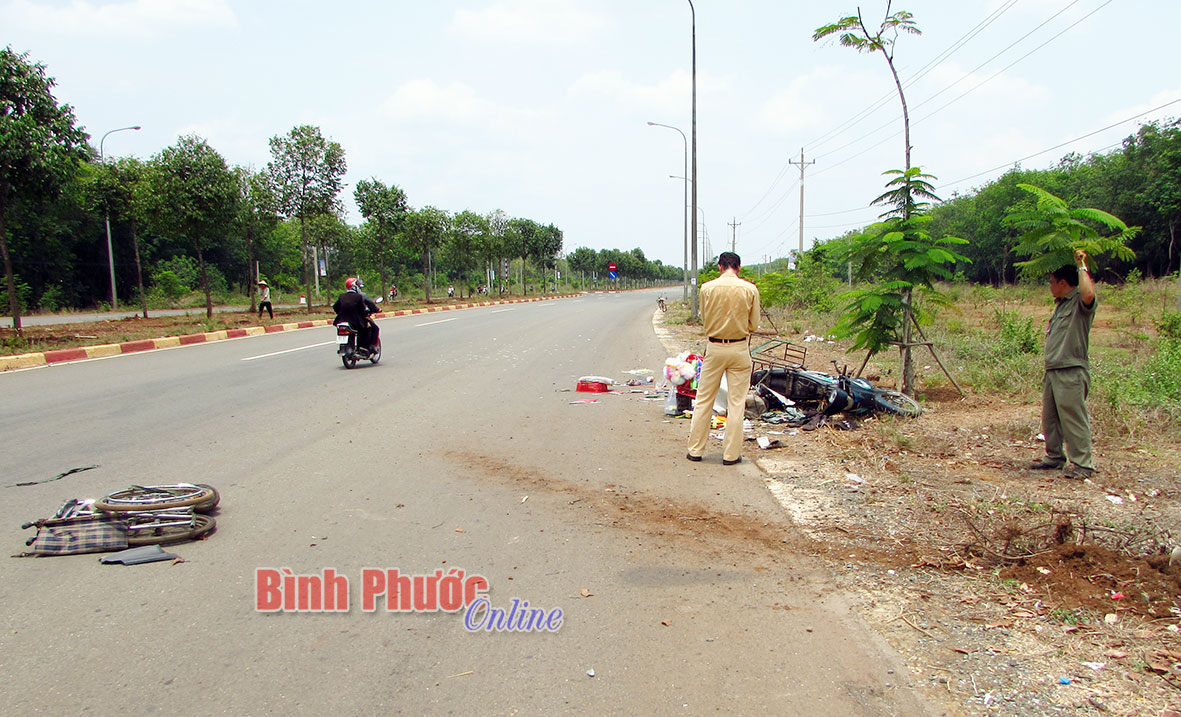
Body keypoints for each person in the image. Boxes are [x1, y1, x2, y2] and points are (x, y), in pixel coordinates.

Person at [686, 251, 761, 465]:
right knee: (736, 404)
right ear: (738, 267)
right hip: (739, 348)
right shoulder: (750, 289)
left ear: (720, 267)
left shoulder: (707, 288)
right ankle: (730, 455)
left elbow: (705, 317)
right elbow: (754, 324)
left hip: (715, 347)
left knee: (704, 400)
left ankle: (695, 451)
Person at [1032, 248, 1098, 479]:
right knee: (1050, 419)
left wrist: (1081, 265)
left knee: (1073, 418)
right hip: (1053, 371)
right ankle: (1054, 457)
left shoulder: (1080, 303)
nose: (1050, 286)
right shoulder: (1060, 305)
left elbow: (1089, 294)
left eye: (1052, 282)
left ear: (1062, 282)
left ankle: (1083, 464)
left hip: (1071, 370)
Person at [333, 277, 380, 352]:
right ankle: (363, 347)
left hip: (342, 320)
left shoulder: (342, 296)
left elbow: (335, 307)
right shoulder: (359, 296)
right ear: (355, 286)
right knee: (367, 328)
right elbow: (362, 310)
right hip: (356, 321)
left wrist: (341, 313)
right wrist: (365, 316)